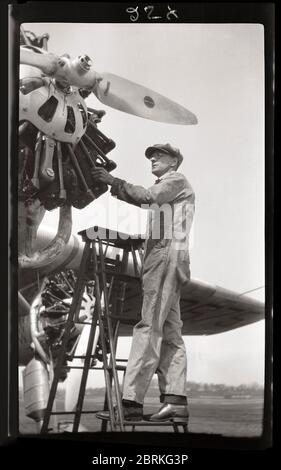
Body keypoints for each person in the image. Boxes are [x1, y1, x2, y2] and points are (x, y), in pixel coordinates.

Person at [92, 143, 195, 422]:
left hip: (164, 261)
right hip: (170, 262)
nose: (153, 158)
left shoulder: (174, 180)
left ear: (175, 161)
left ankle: (131, 404)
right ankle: (176, 402)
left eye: (160, 155)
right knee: (171, 332)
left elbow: (148, 196)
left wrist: (114, 182)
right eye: (151, 155)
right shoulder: (171, 194)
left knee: (148, 327)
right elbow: (162, 220)